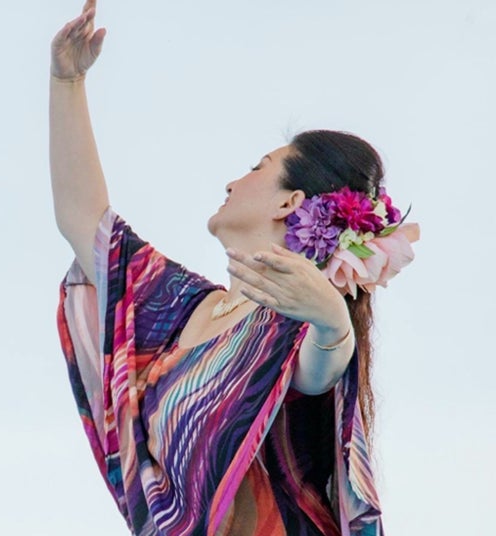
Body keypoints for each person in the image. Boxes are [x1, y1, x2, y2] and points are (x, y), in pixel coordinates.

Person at [51, 2, 419, 535]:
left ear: (289, 203)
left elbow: (320, 367)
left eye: (256, 168)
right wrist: (68, 82)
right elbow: (84, 221)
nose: (232, 182)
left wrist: (331, 319)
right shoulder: (180, 309)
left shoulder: (297, 323)